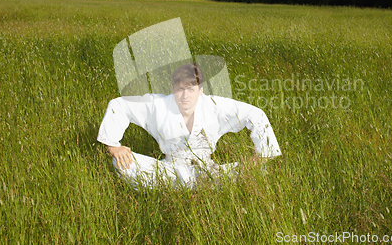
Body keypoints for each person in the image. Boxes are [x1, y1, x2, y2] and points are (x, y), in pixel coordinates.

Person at [97, 63, 281, 189]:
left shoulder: (215, 105)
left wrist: (262, 156)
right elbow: (119, 104)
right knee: (123, 165)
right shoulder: (158, 104)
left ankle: (186, 189)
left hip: (209, 170)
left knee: (254, 170)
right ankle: (192, 189)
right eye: (180, 89)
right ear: (172, 89)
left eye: (191, 89)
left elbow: (256, 114)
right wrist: (114, 146)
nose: (185, 95)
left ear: (201, 90)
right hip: (169, 170)